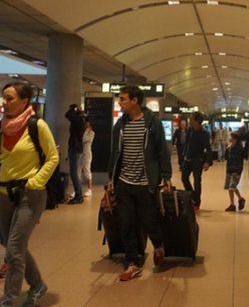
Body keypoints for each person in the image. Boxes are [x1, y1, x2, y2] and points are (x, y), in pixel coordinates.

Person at [0, 82, 59, 307]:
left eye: (9, 98)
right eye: (4, 98)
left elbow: (53, 157)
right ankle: (37, 284)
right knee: (6, 241)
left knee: (15, 249)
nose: (4, 102)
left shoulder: (37, 126)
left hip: (31, 194)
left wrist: (36, 181)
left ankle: (9, 300)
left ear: (24, 101)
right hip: (3, 194)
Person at [107, 85, 171, 282]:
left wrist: (166, 175)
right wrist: (111, 179)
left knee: (149, 221)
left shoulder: (152, 123)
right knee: (125, 224)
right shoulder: (120, 125)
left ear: (135, 100)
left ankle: (159, 245)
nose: (120, 102)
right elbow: (114, 153)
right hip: (124, 183)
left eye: (123, 99)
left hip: (145, 183)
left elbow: (162, 150)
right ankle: (133, 263)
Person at [181, 112, 212, 210]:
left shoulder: (205, 133)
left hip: (198, 160)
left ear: (197, 121)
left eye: (192, 118)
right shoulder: (190, 130)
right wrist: (183, 154)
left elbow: (208, 148)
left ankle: (196, 203)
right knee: (184, 178)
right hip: (187, 159)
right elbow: (187, 143)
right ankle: (192, 196)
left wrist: (207, 162)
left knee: (197, 182)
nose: (190, 119)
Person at [64, 104, 85, 205]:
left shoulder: (78, 120)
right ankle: (78, 194)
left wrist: (73, 107)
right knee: (74, 173)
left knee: (73, 173)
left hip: (75, 148)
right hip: (76, 148)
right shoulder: (80, 120)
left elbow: (67, 114)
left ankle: (79, 195)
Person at [224, 132, 246, 212]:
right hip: (229, 169)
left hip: (236, 170)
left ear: (235, 139)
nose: (230, 138)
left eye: (231, 137)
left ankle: (240, 199)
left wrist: (239, 173)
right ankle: (232, 204)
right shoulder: (229, 148)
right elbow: (226, 158)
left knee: (232, 186)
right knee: (229, 187)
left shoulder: (240, 149)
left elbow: (240, 161)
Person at [81, 119, 94, 197]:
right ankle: (78, 189)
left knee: (87, 170)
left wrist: (86, 132)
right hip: (81, 153)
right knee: (79, 172)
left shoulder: (91, 133)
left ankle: (89, 189)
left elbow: (86, 140)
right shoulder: (82, 132)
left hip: (87, 153)